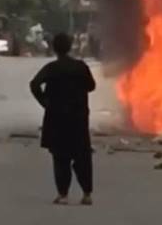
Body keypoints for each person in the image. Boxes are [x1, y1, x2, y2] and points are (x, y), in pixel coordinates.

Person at [30, 33, 97, 206]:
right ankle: (87, 194)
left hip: (57, 118)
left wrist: (45, 102)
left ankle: (63, 195)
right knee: (82, 156)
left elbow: (34, 84)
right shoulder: (81, 67)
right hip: (78, 118)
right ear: (70, 46)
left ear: (54, 48)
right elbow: (91, 86)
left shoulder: (51, 68)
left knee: (60, 157)